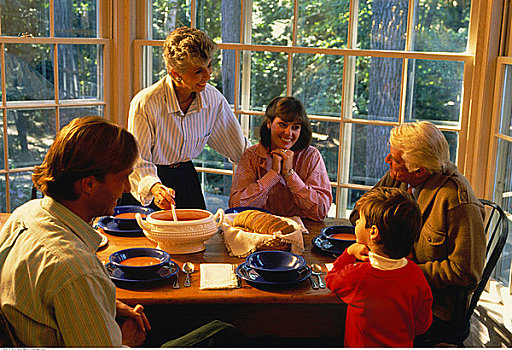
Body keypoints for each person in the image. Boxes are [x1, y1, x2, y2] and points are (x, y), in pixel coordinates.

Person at [0, 116, 239, 347]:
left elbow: (45, 297)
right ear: (90, 184)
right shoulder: (75, 269)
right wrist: (125, 343)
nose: (126, 188)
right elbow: (75, 280)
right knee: (220, 332)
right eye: (123, 178)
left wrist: (105, 303)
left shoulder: (24, 214)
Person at [350, 121, 486, 345]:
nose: (387, 161)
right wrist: (380, 248)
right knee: (350, 304)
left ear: (420, 171)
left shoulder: (458, 203)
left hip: (434, 305)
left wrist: (404, 270)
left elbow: (466, 272)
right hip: (395, 284)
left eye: (393, 159)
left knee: (361, 314)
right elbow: (360, 212)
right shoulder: (401, 175)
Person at [123, 26, 249, 211]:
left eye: (209, 66)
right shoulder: (146, 103)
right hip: (150, 184)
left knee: (196, 237)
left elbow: (240, 149)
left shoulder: (213, 99)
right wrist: (155, 189)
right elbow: (138, 161)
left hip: (186, 179)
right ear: (175, 74)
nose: (208, 75)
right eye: (198, 71)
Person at [326, 187, 432, 347]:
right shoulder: (416, 274)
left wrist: (349, 252)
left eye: (360, 219)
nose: (356, 222)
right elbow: (422, 326)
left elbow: (331, 279)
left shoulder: (357, 276)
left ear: (373, 232)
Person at [229, 96, 332, 221]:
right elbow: (236, 207)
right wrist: (272, 175)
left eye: (295, 127)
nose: (289, 133)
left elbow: (321, 212)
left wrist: (290, 175)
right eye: (282, 125)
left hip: (303, 232)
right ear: (269, 123)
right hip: (260, 230)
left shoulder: (311, 156)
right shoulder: (251, 155)